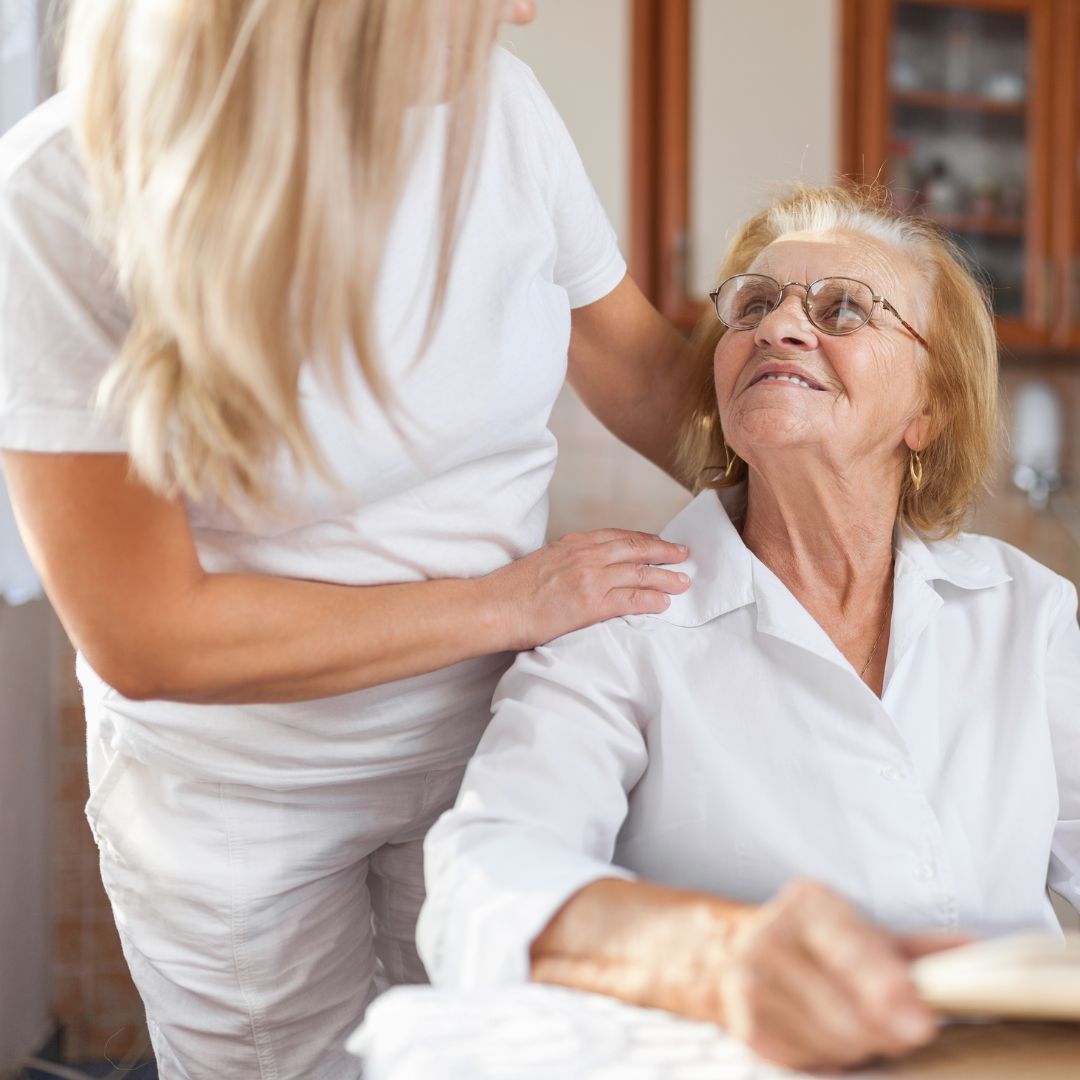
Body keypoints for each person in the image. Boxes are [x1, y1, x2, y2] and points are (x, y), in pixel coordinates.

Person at [0, 2, 697, 1076]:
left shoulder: (503, 110)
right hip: (241, 807)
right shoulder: (66, 191)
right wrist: (513, 601)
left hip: (493, 751)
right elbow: (147, 635)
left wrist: (842, 472)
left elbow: (646, 373)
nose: (527, 11)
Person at [418, 184, 1080, 1072]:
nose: (778, 328)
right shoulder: (619, 619)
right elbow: (478, 882)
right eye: (754, 306)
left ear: (931, 411)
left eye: (844, 308)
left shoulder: (1026, 613)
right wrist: (712, 957)